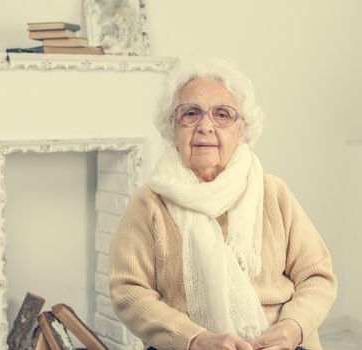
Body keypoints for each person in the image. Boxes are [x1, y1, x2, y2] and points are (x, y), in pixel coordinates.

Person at [109, 59, 337, 350]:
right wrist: (193, 339)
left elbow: (316, 276)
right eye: (191, 114)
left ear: (242, 130)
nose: (205, 126)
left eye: (222, 115)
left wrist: (292, 328)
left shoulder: (273, 193)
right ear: (172, 129)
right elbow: (128, 291)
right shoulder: (149, 203)